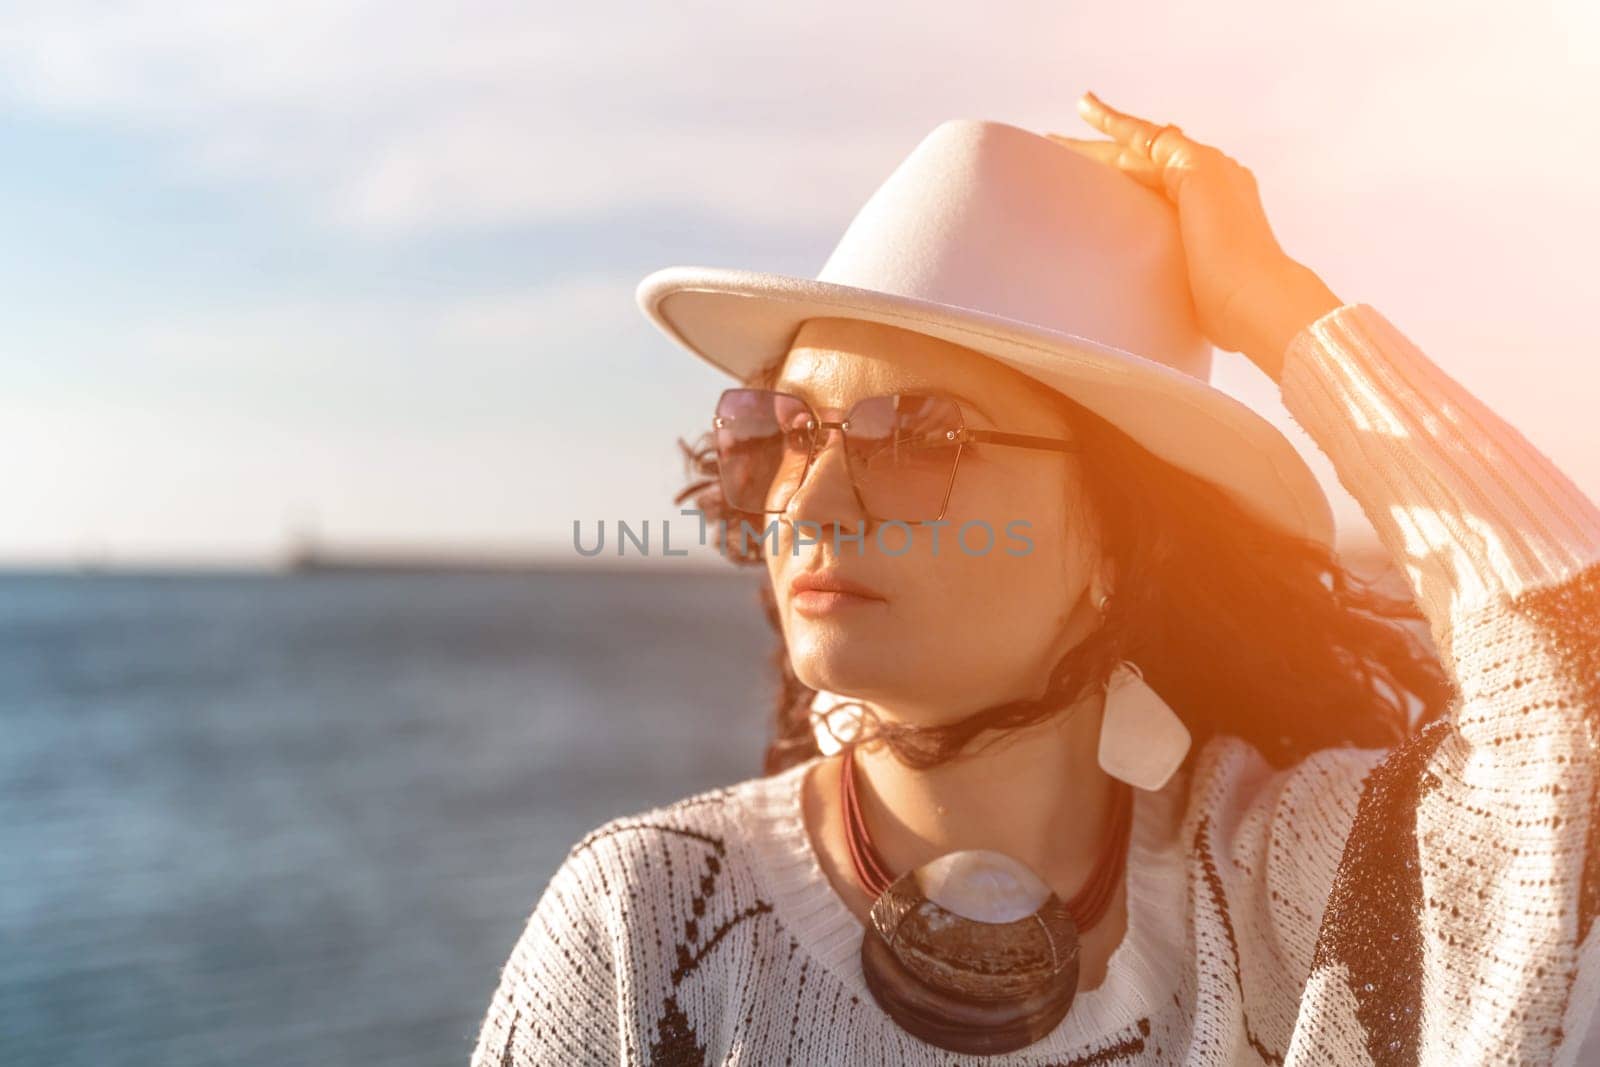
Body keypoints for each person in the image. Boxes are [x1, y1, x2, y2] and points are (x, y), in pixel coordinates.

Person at [471, 92, 1600, 1065]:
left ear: (1119, 541)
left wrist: (1273, 302)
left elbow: (1577, 739)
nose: (809, 505)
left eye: (919, 435)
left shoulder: (1285, 891)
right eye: (791, 431)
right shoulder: (650, 918)